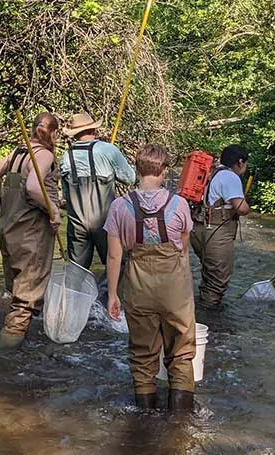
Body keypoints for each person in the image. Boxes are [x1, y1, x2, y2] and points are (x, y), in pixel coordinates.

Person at [104, 144, 196, 412]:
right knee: (180, 353)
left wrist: (112, 295)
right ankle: (180, 422)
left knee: (143, 354)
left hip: (138, 285)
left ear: (137, 169)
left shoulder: (119, 206)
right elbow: (184, 247)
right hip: (175, 289)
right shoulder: (180, 204)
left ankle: (144, 419)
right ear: (165, 171)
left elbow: (113, 257)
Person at [0, 113, 62, 349]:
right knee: (24, 303)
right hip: (32, 237)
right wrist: (54, 211)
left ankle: (14, 342)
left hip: (9, 233)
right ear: (54, 133)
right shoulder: (45, 155)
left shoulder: (17, 153)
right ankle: (4, 359)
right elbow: (32, 187)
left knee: (16, 293)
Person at [59, 113, 136, 271]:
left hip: (76, 225)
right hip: (106, 223)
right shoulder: (108, 150)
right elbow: (130, 178)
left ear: (74, 134)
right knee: (118, 268)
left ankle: (78, 296)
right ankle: (108, 295)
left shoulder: (66, 157)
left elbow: (66, 195)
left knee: (76, 273)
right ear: (94, 130)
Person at [189, 144, 251, 309]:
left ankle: (201, 308)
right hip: (216, 232)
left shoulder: (211, 172)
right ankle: (209, 322)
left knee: (208, 274)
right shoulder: (230, 177)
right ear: (239, 162)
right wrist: (247, 204)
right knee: (217, 280)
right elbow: (241, 208)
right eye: (245, 164)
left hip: (198, 229)